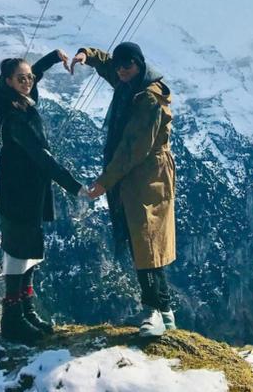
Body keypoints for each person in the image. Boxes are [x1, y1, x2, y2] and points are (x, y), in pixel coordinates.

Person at [71, 41, 176, 337]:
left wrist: (105, 181)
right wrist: (87, 55)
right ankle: (165, 311)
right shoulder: (129, 82)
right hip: (135, 175)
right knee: (142, 239)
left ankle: (153, 310)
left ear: (139, 64)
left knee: (146, 240)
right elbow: (107, 63)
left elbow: (133, 148)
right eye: (119, 67)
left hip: (148, 176)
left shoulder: (149, 98)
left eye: (127, 65)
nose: (121, 71)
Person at [0, 49, 86, 345]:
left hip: (29, 191)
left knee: (30, 249)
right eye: (21, 79)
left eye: (29, 78)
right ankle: (12, 319)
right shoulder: (14, 116)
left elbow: (34, 73)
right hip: (18, 192)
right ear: (8, 81)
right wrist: (75, 187)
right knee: (17, 252)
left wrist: (52, 58)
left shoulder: (19, 100)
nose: (28, 82)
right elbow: (41, 157)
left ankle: (25, 309)